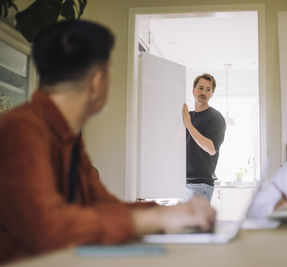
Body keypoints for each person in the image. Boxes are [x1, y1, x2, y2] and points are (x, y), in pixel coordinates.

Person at [0, 20, 215, 264]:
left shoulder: (66, 140)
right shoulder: (20, 131)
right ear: (96, 81)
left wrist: (167, 212)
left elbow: (102, 205)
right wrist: (152, 220)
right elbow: (46, 227)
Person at [182, 74, 226, 202]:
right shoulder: (188, 116)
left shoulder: (215, 117)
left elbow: (211, 149)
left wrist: (189, 125)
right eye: (200, 88)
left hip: (200, 185)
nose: (204, 93)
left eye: (208, 90)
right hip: (182, 182)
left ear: (212, 94)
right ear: (193, 90)